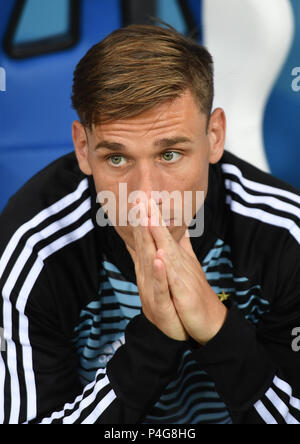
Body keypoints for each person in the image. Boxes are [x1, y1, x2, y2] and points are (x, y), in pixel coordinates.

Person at [0, 23, 299, 425]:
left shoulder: (286, 235)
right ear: (83, 149)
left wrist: (217, 327)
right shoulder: (32, 250)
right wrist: (154, 339)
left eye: (170, 154)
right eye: (117, 159)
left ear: (214, 136)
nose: (145, 195)